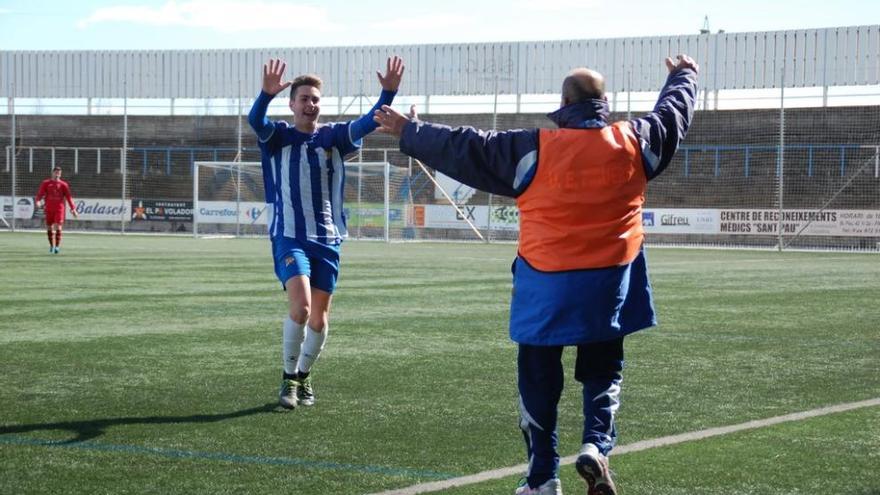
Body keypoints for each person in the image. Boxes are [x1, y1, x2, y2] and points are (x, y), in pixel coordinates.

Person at [374, 55, 699, 495]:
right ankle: (596, 446)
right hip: (609, 284)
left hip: (545, 285)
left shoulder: (534, 148)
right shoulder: (634, 141)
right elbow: (672, 115)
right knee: (604, 371)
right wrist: (683, 74)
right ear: (603, 102)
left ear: (564, 102)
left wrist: (410, 131)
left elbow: (468, 147)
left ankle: (543, 477)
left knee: (538, 381)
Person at [248, 56, 405, 409]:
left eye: (315, 99)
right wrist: (265, 94)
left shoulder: (332, 137)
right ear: (292, 104)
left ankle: (303, 376)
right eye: (303, 98)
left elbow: (368, 122)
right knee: (300, 307)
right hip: (289, 235)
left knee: (319, 318)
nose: (310, 104)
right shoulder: (277, 136)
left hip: (328, 238)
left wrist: (388, 93)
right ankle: (288, 380)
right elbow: (254, 120)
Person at [35, 166, 78, 254]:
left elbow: (69, 197)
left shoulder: (64, 185)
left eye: (59, 172)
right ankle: (51, 246)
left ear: (60, 174)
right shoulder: (46, 183)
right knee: (49, 227)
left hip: (59, 209)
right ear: (52, 173)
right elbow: (40, 194)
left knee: (58, 226)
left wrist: (73, 209)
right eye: (56, 172)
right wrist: (38, 201)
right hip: (49, 209)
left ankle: (57, 247)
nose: (57, 173)